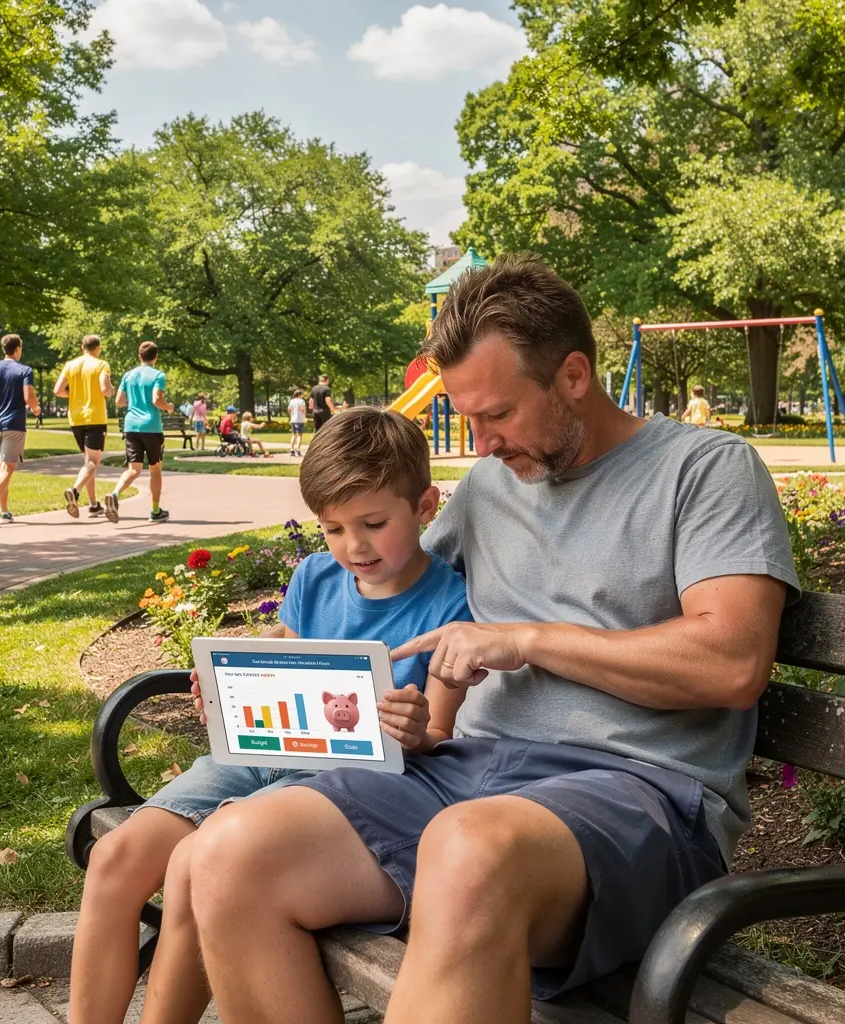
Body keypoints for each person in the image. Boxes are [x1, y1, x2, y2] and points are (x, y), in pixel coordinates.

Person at [161, 255, 798, 1024]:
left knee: (467, 849)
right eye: (467, 418)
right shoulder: (494, 488)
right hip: (467, 774)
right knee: (228, 851)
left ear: (572, 376)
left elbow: (732, 664)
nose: (482, 442)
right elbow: (384, 582)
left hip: (641, 793)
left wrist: (526, 638)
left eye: (496, 414)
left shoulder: (706, 470)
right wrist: (264, 678)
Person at [70, 407, 472, 1024]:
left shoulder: (448, 604)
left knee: (189, 871)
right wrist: (228, 692)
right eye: (333, 528)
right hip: (257, 759)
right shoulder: (314, 576)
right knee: (114, 859)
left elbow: (440, 735)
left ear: (423, 507)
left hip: (335, 790)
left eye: (372, 523)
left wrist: (416, 729)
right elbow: (281, 660)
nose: (352, 547)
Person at [0, 334, 41, 527]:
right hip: (14, 424)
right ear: (18, 349)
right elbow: (29, 397)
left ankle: (5, 512)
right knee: (9, 468)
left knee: (3, 468)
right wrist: (36, 409)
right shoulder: (24, 370)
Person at [106, 341, 173, 525]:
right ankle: (155, 510)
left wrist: (135, 403)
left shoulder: (128, 375)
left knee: (133, 469)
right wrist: (168, 407)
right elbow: (156, 400)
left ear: (139, 356)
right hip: (151, 426)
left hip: (131, 426)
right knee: (156, 469)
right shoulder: (158, 375)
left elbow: (119, 401)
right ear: (156, 356)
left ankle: (114, 494)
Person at [54, 335, 114, 518]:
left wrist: (72, 395)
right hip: (95, 417)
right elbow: (105, 389)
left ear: (82, 348)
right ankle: (75, 490)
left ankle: (94, 504)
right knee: (92, 463)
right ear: (98, 348)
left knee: (88, 463)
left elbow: (57, 390)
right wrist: (112, 391)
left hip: (76, 418)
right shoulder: (101, 365)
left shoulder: (70, 365)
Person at [288, 388, 306, 456]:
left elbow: (289, 409)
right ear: (300, 394)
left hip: (293, 419)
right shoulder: (302, 401)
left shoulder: (292, 401)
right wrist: (304, 416)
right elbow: (303, 409)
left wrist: (293, 413)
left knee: (293, 434)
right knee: (300, 435)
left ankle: (292, 450)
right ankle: (298, 449)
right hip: (300, 419)